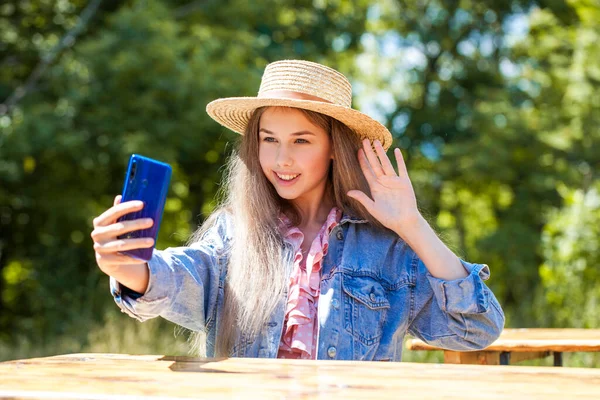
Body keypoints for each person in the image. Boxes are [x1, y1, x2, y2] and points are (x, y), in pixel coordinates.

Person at [91, 60, 504, 361]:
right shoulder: (233, 234)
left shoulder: (385, 247)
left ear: (332, 149)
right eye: (269, 139)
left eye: (301, 141)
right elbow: (175, 278)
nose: (281, 158)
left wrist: (412, 226)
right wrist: (129, 267)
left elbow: (476, 329)